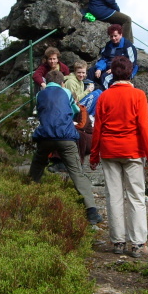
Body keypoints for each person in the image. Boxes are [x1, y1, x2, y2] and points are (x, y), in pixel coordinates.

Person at [90, 56, 148, 258]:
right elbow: (144, 129)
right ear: (130, 73)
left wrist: (94, 156)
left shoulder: (103, 96)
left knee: (114, 196)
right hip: (132, 152)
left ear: (112, 73)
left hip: (109, 152)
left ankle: (118, 241)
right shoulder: (138, 95)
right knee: (137, 197)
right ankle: (138, 244)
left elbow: (98, 130)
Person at [29, 69, 102, 225]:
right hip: (66, 138)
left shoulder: (39, 95)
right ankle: (91, 212)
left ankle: (27, 197)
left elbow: (38, 111)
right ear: (62, 82)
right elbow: (75, 110)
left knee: (37, 165)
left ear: (47, 82)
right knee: (77, 172)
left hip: (45, 137)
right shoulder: (67, 93)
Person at [88, 24, 138, 90]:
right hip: (109, 67)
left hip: (122, 69)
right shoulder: (109, 45)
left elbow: (131, 63)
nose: (113, 38)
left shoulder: (128, 46)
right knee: (92, 70)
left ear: (121, 35)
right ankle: (88, 89)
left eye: (115, 36)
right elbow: (104, 58)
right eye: (111, 36)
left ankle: (105, 94)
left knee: (105, 77)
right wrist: (99, 68)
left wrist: (115, 69)